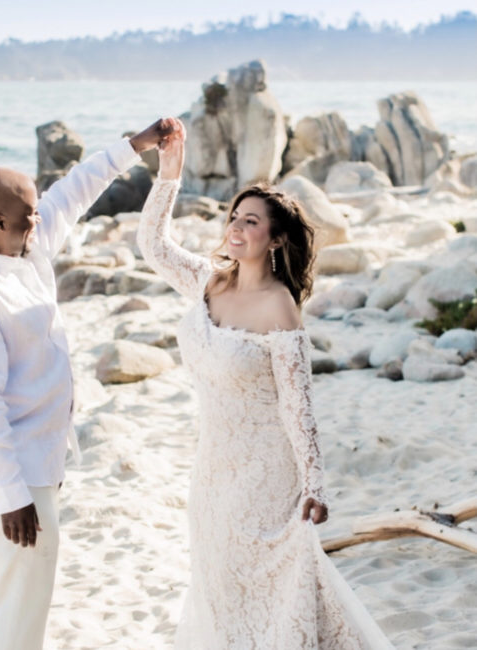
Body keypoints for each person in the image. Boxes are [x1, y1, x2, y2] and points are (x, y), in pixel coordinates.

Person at [136, 118, 394, 649]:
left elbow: (299, 408)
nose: (235, 227)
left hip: (264, 472)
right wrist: (170, 172)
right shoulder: (210, 282)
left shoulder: (280, 308)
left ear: (275, 238)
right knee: (219, 584)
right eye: (234, 216)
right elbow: (153, 245)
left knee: (275, 586)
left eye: (250, 221)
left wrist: (314, 484)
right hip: (212, 470)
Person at [0, 119, 174, 650]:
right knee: (21, 601)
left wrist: (137, 145)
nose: (40, 219)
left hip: (35, 459)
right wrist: (12, 495)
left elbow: (74, 190)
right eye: (27, 214)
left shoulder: (24, 248)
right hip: (5, 471)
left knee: (18, 596)